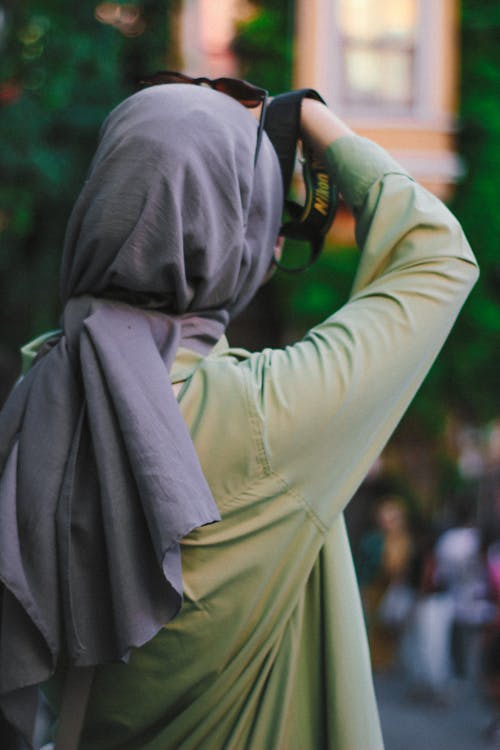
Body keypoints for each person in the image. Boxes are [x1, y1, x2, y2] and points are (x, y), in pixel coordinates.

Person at [0, 77, 478, 750]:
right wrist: (308, 116)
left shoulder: (37, 388)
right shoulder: (264, 417)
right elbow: (436, 255)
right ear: (239, 241)